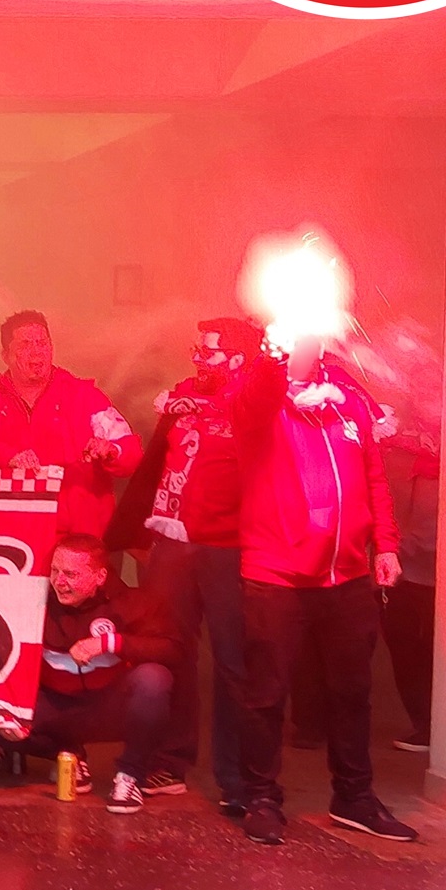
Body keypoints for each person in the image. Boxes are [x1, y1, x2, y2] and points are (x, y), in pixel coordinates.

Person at [230, 336, 414, 845]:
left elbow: (374, 478)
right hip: (275, 575)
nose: (306, 345)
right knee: (267, 695)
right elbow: (254, 399)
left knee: (352, 693)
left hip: (346, 575)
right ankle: (261, 797)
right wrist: (271, 355)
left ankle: (354, 798)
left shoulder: (346, 400)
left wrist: (386, 545)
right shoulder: (259, 396)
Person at [111, 315, 262, 809]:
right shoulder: (181, 397)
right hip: (173, 543)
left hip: (228, 548)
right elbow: (158, 463)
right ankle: (169, 762)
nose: (197, 359)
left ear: (237, 359)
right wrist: (141, 530)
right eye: (196, 349)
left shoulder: (253, 402)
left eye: (209, 352)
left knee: (233, 661)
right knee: (168, 650)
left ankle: (238, 779)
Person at [0, 535, 183, 812]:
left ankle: (130, 777)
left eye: (71, 574)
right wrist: (9, 712)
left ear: (100, 576)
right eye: (55, 571)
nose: (59, 581)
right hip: (56, 708)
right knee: (0, 714)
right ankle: (66, 753)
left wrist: (111, 643)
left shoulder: (132, 603)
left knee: (154, 679)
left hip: (107, 709)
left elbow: (173, 650)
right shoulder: (35, 602)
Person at [0, 310, 139, 537]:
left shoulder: (84, 397)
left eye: (42, 343)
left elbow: (130, 451)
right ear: (5, 355)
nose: (36, 351)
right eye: (25, 344)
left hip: (82, 539)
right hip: (15, 536)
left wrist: (112, 451)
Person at [379, 395, 440, 754]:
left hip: (432, 574)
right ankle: (424, 724)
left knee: (430, 653)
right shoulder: (397, 448)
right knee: (404, 649)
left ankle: (434, 727)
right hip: (403, 573)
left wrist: (390, 550)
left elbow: (430, 527)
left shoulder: (445, 458)